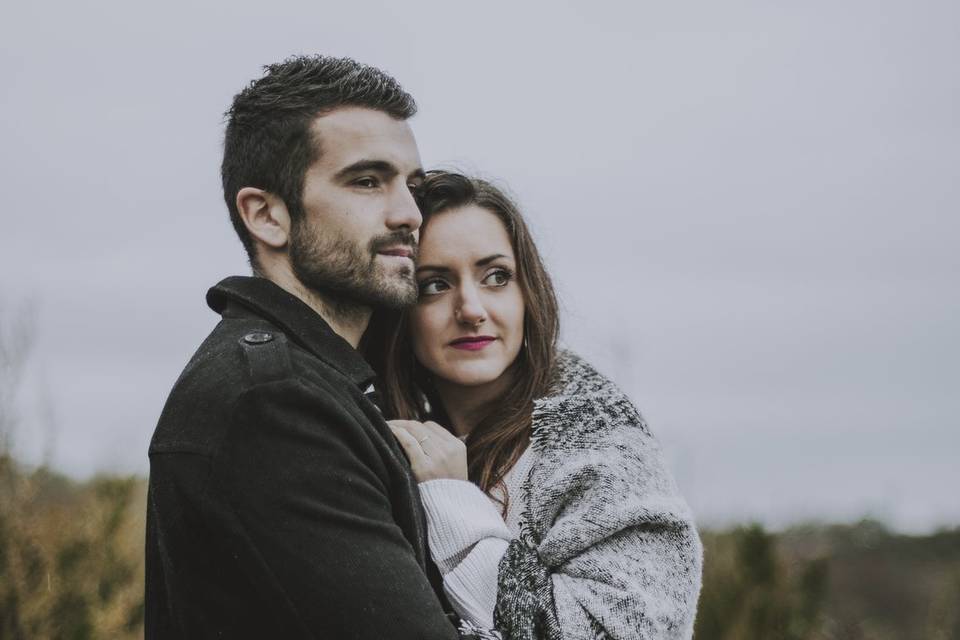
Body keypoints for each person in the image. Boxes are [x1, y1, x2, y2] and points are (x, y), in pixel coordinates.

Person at [145, 56, 497, 639]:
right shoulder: (274, 402)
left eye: (411, 185)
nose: (410, 214)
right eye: (366, 181)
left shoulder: (323, 382)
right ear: (267, 215)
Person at [375, 171, 703, 639]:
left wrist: (452, 502)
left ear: (529, 292)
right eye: (435, 284)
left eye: (496, 277)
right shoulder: (384, 435)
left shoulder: (597, 446)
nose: (470, 309)